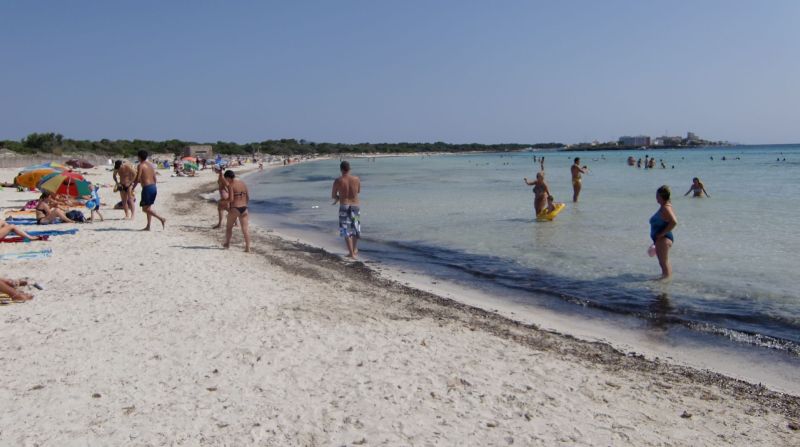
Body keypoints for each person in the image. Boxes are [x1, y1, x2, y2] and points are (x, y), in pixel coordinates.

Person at [331, 161, 361, 258]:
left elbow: (333, 195)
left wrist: (338, 198)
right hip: (355, 206)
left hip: (344, 205)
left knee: (345, 230)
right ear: (349, 169)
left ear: (341, 169)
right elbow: (358, 191)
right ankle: (355, 249)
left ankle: (351, 253)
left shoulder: (338, 180)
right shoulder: (356, 179)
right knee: (355, 228)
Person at [132, 150, 166, 231]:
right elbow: (155, 178)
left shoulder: (140, 165)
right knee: (148, 207)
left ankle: (161, 218)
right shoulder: (150, 165)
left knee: (145, 209)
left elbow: (138, 178)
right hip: (153, 187)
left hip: (147, 188)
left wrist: (132, 188)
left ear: (139, 157)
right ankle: (148, 226)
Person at [650, 185, 678, 279]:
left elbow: (674, 222)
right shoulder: (664, 206)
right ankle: (665, 280)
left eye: (657, 195)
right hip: (661, 239)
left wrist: (661, 234)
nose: (656, 197)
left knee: (663, 262)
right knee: (663, 262)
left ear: (661, 196)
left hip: (664, 238)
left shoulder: (666, 207)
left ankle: (665, 282)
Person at [222, 170, 251, 252]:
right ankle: (248, 248)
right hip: (244, 208)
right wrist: (244, 204)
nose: (226, 181)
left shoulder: (231, 185)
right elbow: (248, 197)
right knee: (245, 230)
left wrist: (223, 202)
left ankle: (227, 244)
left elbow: (231, 199)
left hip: (235, 208)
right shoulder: (242, 183)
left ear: (228, 178)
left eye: (226, 179)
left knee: (229, 227)